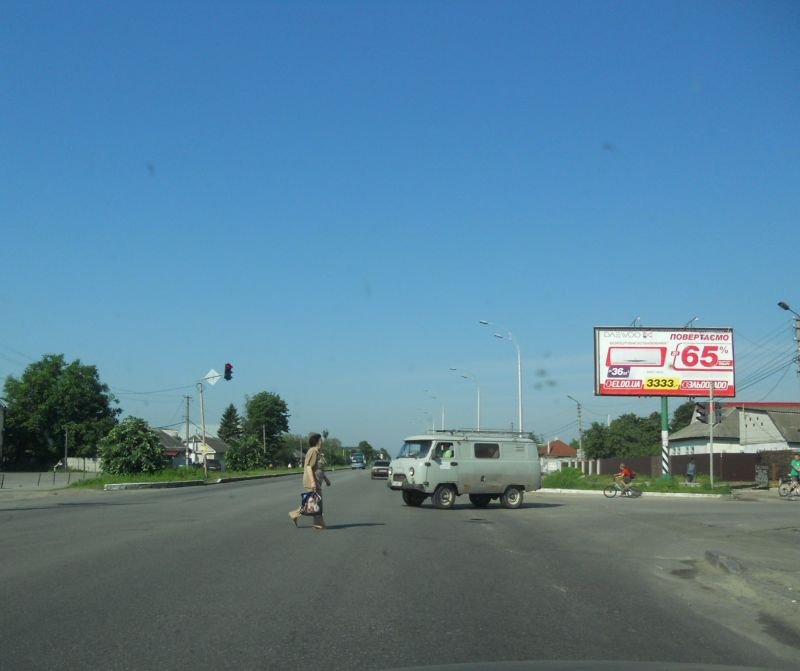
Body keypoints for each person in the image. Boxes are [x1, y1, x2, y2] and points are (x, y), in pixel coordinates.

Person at [289, 433, 328, 530]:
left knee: (311, 502)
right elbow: (309, 467)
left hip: (317, 481)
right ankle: (318, 523)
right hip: (312, 481)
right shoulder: (312, 451)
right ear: (317, 442)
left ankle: (295, 514)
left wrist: (326, 480)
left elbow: (319, 469)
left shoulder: (318, 453)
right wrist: (312, 482)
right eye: (321, 440)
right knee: (316, 502)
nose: (322, 442)